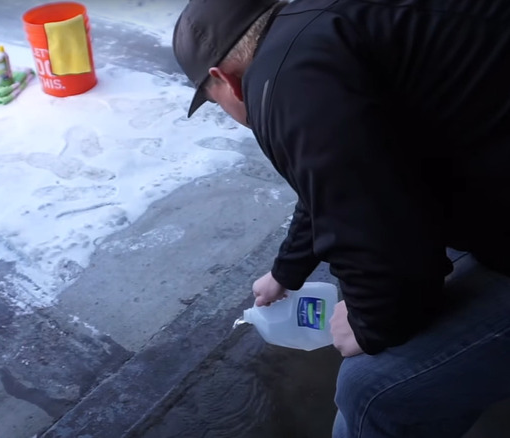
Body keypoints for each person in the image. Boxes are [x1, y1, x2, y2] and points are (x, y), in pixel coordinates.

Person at [172, 0, 510, 436]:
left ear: (224, 80)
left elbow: (392, 254)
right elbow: (340, 180)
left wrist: (371, 323)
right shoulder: (326, 29)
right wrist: (286, 270)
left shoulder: (286, 85)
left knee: (371, 387)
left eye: (214, 102)